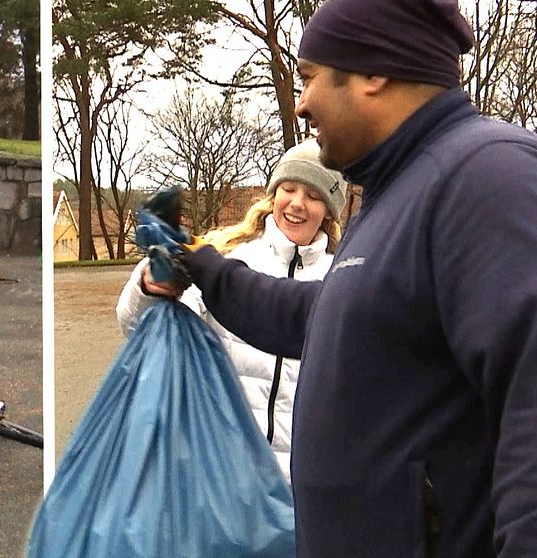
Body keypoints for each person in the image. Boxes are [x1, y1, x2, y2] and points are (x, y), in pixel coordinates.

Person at [144, 0, 537, 555]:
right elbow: (322, 316)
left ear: (374, 72)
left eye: (309, 78)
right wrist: (201, 264)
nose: (301, 103)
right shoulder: (392, 193)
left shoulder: (487, 176)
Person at [117, 138, 346, 478]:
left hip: (303, 485)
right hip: (220, 476)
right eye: (289, 189)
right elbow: (140, 330)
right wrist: (149, 287)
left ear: (329, 209)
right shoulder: (225, 258)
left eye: (314, 196)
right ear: (273, 194)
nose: (298, 203)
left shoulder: (342, 279)